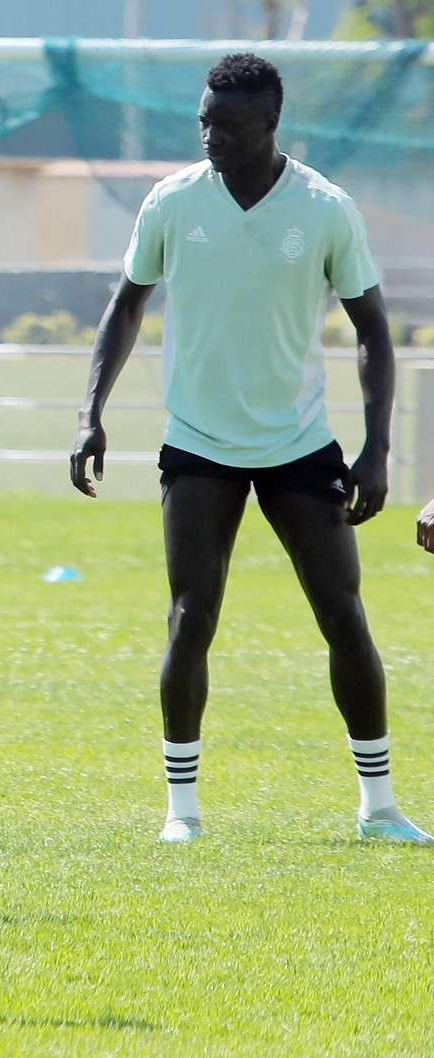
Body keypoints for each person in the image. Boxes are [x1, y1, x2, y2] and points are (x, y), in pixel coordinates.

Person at [70, 54, 429, 845]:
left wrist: (376, 449)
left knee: (344, 615)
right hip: (197, 444)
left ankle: (379, 806)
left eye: (227, 124)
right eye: (203, 120)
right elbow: (125, 307)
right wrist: (91, 412)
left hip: (300, 444)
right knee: (191, 616)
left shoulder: (325, 208)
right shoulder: (171, 202)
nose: (210, 135)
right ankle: (182, 812)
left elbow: (372, 328)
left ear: (270, 125)